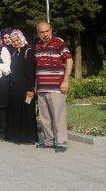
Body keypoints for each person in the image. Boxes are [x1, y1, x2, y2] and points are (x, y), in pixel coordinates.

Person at [34, 21, 73, 152]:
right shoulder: (37, 46)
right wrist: (35, 86)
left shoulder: (59, 42)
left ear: (51, 29)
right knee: (44, 117)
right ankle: (49, 141)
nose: (45, 34)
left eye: (47, 31)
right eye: (41, 32)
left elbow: (69, 60)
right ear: (38, 32)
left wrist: (65, 81)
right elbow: (37, 67)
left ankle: (61, 142)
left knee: (58, 116)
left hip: (56, 86)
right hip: (41, 87)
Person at [6, 30, 38, 144]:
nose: (15, 43)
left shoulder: (28, 51)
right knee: (17, 111)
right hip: (15, 89)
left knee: (27, 111)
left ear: (22, 39)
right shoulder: (15, 53)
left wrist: (30, 89)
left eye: (17, 40)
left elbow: (30, 72)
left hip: (26, 89)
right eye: (13, 41)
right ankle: (17, 136)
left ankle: (28, 137)